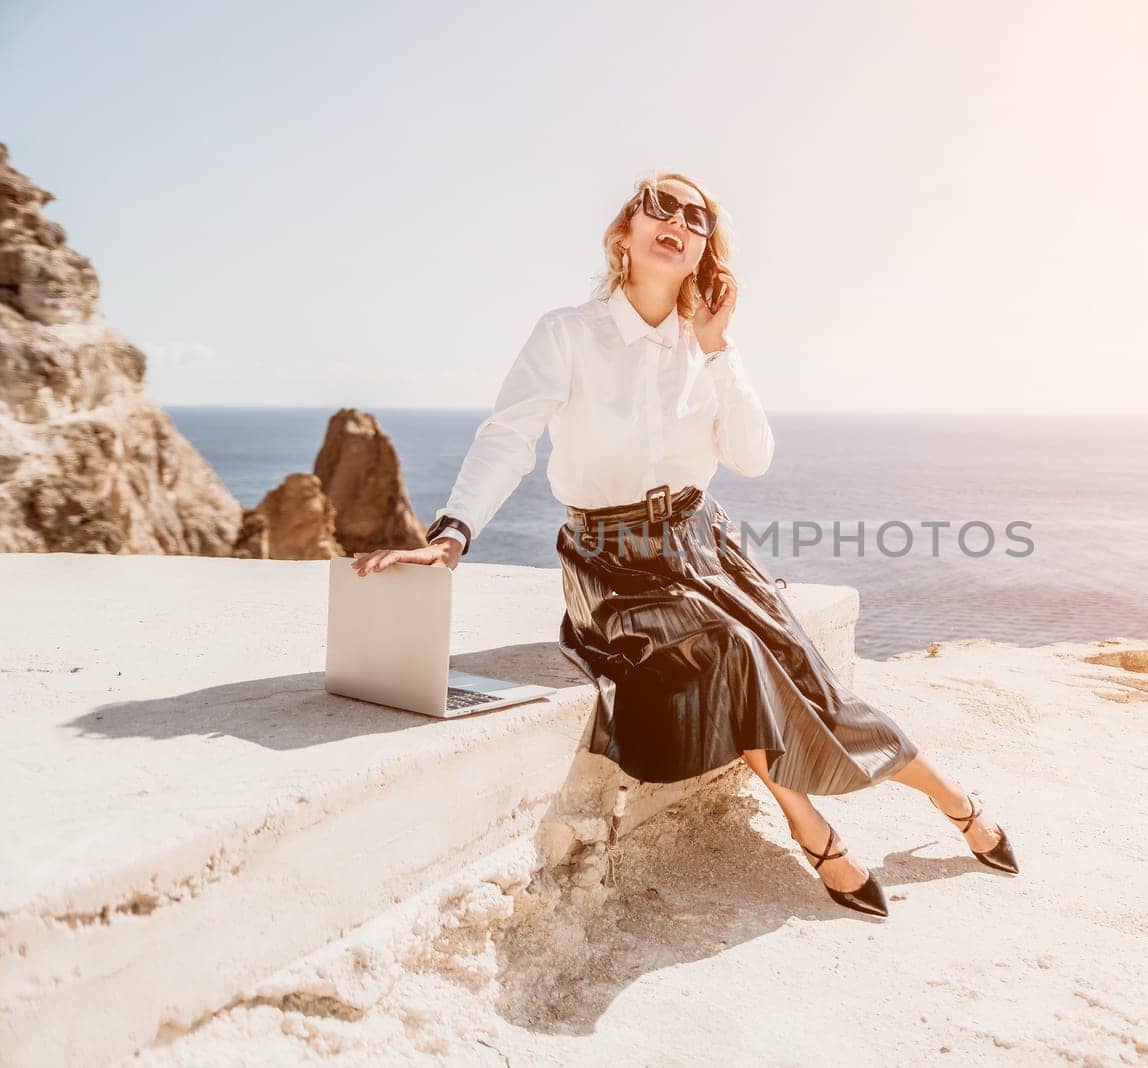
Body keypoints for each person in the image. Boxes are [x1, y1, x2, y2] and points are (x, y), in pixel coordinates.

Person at [351, 171, 1017, 916]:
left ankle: (955, 800)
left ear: (706, 251)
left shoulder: (704, 348)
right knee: (733, 649)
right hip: (610, 563)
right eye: (658, 204)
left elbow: (752, 455)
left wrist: (717, 348)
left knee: (804, 674)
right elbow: (508, 437)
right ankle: (813, 829)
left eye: (697, 216)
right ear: (623, 234)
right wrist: (451, 535)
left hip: (704, 548)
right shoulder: (567, 333)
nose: (678, 219)